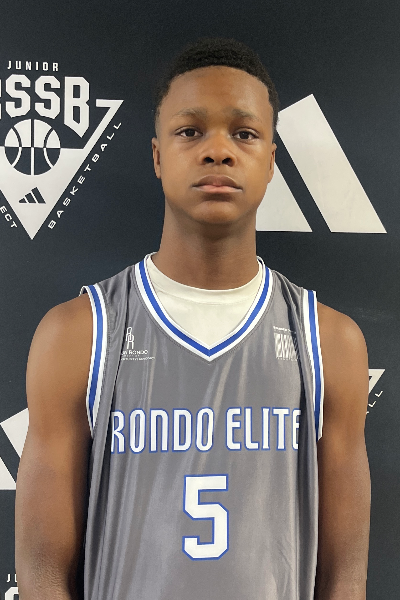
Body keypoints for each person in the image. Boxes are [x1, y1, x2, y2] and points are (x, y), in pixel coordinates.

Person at [15, 37, 370, 600]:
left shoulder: (329, 341)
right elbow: (41, 573)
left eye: (244, 134)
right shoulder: (80, 334)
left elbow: (345, 579)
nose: (218, 151)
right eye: (190, 131)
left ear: (272, 162)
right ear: (158, 156)